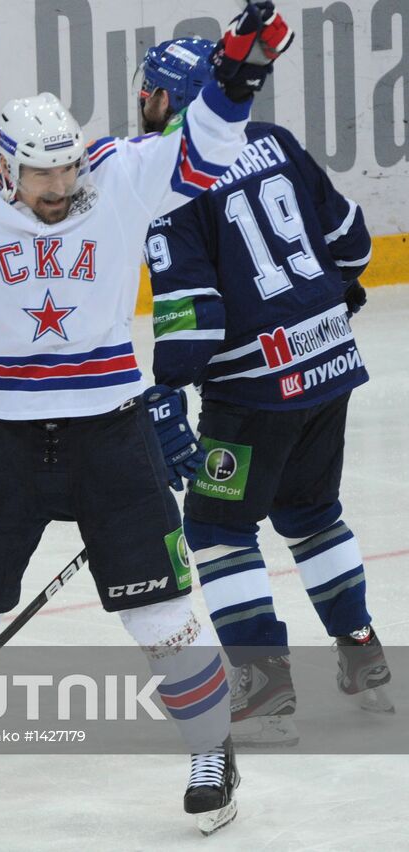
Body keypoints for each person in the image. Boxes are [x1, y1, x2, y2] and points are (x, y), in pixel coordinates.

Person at [0, 0, 292, 836]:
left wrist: (239, 73)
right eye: (43, 176)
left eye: (67, 172)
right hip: (5, 444)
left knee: (162, 615)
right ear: (7, 168)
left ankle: (213, 750)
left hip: (112, 436)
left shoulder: (120, 175)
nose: (61, 188)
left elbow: (206, 148)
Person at [141, 38, 391, 748]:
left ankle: (264, 680)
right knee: (312, 513)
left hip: (255, 390)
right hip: (330, 363)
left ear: (167, 100)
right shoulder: (274, 140)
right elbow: (352, 245)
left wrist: (167, 394)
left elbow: (194, 314)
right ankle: (363, 652)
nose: (144, 104)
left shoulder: (168, 180)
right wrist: (333, 293)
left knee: (217, 529)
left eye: (150, 92)